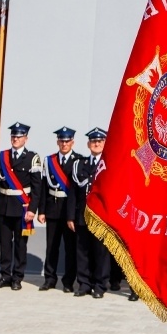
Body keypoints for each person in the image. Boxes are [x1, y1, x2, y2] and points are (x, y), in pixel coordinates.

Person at [0, 122, 41, 291]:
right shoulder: (2, 156)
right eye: (13, 136)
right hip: (4, 205)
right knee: (5, 243)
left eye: (19, 137)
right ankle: (5, 275)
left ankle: (17, 277)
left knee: (20, 244)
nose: (15, 139)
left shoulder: (32, 158)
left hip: (22, 207)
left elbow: (37, 188)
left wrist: (32, 210)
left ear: (25, 139)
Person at [67, 127, 109, 298]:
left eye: (99, 141)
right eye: (93, 141)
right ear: (88, 144)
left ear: (105, 144)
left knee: (101, 252)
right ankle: (84, 284)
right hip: (82, 215)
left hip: (101, 216)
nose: (96, 144)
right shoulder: (79, 164)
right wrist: (70, 216)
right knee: (82, 251)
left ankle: (100, 285)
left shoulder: (109, 164)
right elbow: (73, 193)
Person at [38, 126, 80, 292]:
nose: (64, 144)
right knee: (51, 247)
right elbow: (43, 188)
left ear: (72, 142)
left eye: (67, 141)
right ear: (57, 142)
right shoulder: (49, 161)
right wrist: (41, 211)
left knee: (70, 248)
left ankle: (68, 281)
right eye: (62, 141)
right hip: (53, 208)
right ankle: (49, 279)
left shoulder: (78, 161)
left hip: (69, 211)